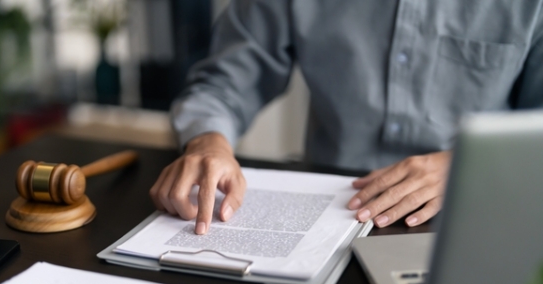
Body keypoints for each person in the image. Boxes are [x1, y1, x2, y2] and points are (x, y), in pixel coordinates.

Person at [150, 0, 543, 235]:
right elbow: (224, 81)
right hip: (332, 212)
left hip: (478, 210)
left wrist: (469, 166)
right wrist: (208, 141)